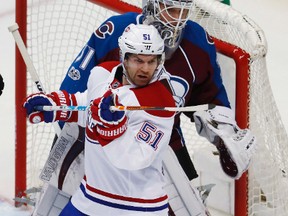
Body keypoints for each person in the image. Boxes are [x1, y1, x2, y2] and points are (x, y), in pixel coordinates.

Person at [59, 0, 229, 182]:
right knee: (70, 199)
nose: (177, 20)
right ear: (151, 5)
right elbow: (74, 94)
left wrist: (225, 134)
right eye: (171, 9)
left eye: (184, 12)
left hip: (162, 141)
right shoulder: (114, 32)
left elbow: (210, 99)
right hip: (100, 137)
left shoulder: (198, 42)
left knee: (189, 207)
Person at [24, 24, 176, 216]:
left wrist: (112, 127)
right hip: (90, 197)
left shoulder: (160, 103)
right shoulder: (103, 74)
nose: (145, 69)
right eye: (138, 60)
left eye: (151, 61)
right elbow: (87, 105)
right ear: (124, 57)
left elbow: (132, 158)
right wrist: (57, 106)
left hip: (138, 207)